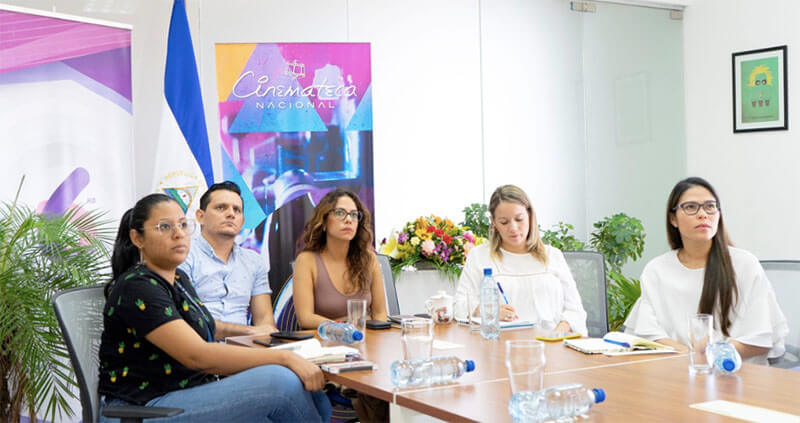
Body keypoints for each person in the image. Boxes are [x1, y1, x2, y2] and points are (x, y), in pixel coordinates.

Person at [98, 193, 331, 422]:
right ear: (137, 238)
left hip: (186, 392)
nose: (178, 234)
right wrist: (284, 358)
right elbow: (197, 356)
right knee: (281, 383)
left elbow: (207, 329)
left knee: (314, 394)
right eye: (164, 227)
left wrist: (260, 338)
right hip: (145, 407)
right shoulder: (138, 287)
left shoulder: (178, 279)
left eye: (182, 225)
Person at [624, 177, 788, 365]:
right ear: (673, 219)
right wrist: (690, 356)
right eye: (691, 207)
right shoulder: (657, 269)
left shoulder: (744, 264)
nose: (703, 214)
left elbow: (761, 338)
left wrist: (710, 356)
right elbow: (647, 333)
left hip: (735, 371)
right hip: (678, 369)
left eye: (710, 206)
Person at [454, 184, 588, 335]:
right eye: (504, 222)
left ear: (530, 216)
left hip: (551, 343)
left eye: (519, 219)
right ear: (494, 223)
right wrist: (487, 310)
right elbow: (459, 306)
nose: (513, 228)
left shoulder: (553, 255)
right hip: (500, 344)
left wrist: (556, 335)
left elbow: (575, 312)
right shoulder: (480, 256)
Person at [179, 181, 277, 336]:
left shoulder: (254, 261)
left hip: (246, 346)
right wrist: (249, 332)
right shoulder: (184, 255)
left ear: (242, 221)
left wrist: (261, 335)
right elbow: (188, 322)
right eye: (221, 208)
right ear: (200, 217)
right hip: (198, 345)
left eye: (237, 210)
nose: (231, 214)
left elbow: (265, 321)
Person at [293, 189, 388, 328]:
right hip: (325, 338)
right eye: (340, 213)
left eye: (354, 215)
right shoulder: (306, 261)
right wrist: (344, 329)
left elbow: (380, 313)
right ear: (324, 221)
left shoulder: (369, 259)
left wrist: (376, 336)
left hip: (365, 336)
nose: (349, 220)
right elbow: (305, 318)